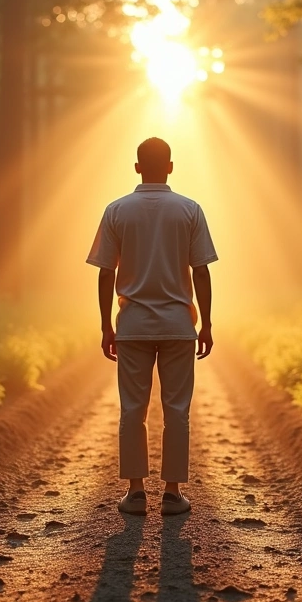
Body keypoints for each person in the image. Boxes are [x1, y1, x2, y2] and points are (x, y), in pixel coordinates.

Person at [86, 137, 218, 516]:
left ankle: (136, 492)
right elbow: (202, 270)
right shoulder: (189, 210)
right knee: (177, 409)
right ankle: (173, 494)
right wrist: (206, 323)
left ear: (137, 167)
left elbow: (105, 273)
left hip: (132, 325)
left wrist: (104, 325)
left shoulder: (116, 211)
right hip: (178, 325)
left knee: (133, 409)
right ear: (171, 167)